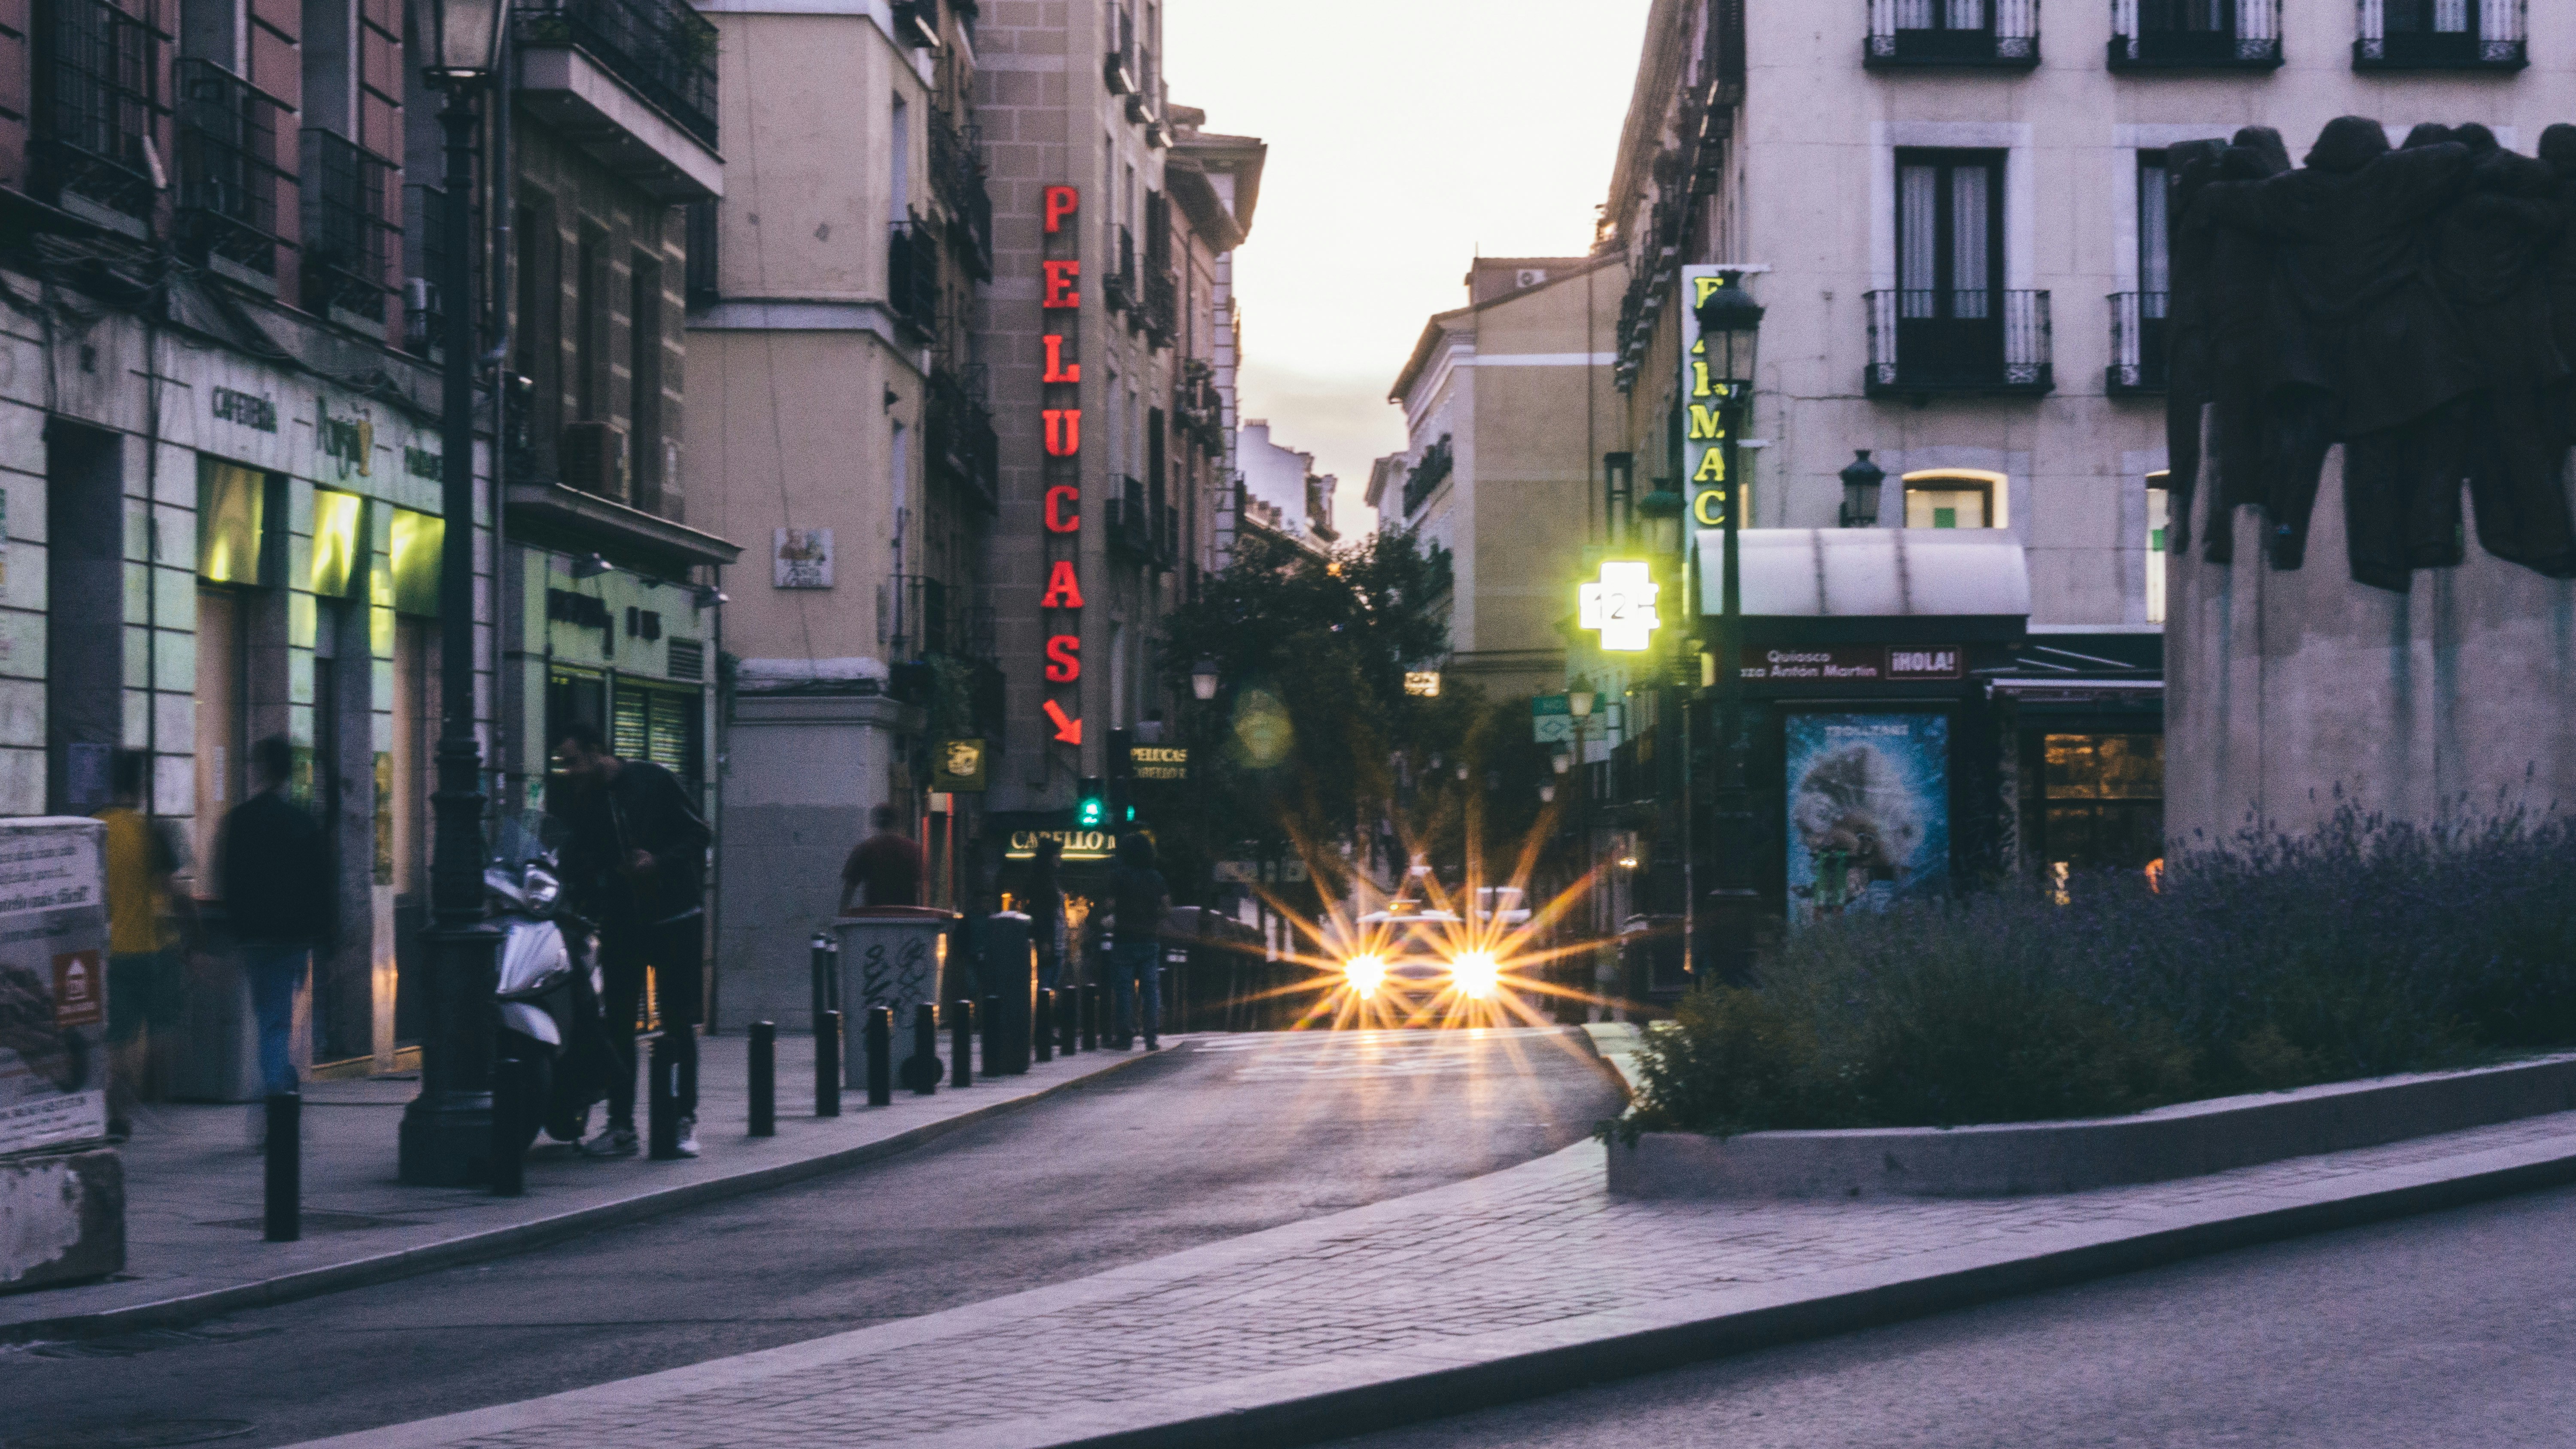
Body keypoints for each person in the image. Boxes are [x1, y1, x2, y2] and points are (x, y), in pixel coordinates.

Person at [552, 721, 712, 1160]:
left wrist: (657, 862)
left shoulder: (652, 779)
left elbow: (700, 833)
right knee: (619, 1026)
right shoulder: (583, 801)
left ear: (597, 751)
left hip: (675, 918)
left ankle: (682, 1120)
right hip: (623, 925)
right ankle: (621, 1126)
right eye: (563, 764)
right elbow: (576, 858)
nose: (569, 771)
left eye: (573, 761)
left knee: (678, 1022)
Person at [217, 736, 332, 1102]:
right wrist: (326, 937)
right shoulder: (301, 822)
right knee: (279, 1022)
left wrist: (238, 929)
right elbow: (321, 883)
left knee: (271, 1019)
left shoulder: (241, 820)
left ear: (261, 769)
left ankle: (278, 1084)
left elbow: (230, 878)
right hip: (295, 939)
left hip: (256, 939)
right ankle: (278, 1090)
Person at [97, 749, 185, 1137]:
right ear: (142, 785)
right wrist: (193, 939)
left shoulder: (95, 828)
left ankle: (118, 1116)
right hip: (153, 947)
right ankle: (156, 1096)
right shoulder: (151, 831)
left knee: (118, 1036)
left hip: (111, 948)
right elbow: (172, 892)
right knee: (161, 1025)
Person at [1104, 832, 1169, 1051]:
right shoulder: (1156, 877)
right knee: (1150, 989)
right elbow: (1166, 907)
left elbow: (1110, 905)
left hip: (1124, 939)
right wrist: (1153, 917)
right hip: (1149, 939)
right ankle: (1151, 1036)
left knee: (1124, 990)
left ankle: (1125, 1037)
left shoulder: (1118, 876)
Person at [840, 804, 924, 911]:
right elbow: (920, 887)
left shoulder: (865, 849)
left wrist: (842, 918)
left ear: (876, 824)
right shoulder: (913, 850)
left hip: (875, 917)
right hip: (906, 917)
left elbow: (849, 889)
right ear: (898, 823)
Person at [1027, 837, 1068, 994]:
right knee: (1047, 983)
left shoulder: (1052, 881)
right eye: (1057, 854)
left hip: (1056, 940)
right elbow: (1041, 913)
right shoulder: (1044, 883)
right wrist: (1045, 940)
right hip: (1050, 941)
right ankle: (1044, 1016)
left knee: (1051, 982)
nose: (1060, 857)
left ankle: (1046, 1014)